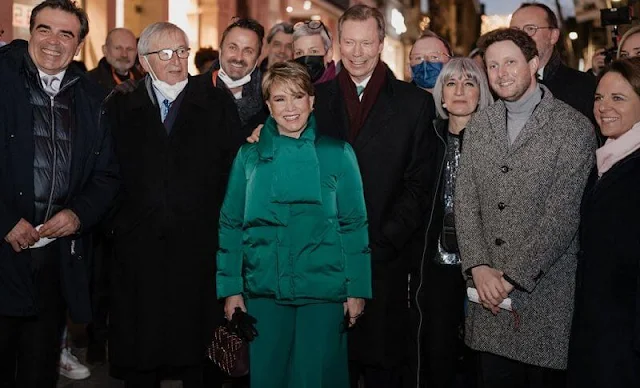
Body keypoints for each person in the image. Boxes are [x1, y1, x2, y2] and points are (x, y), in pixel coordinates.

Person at [245, 6, 436, 386]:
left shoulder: (414, 103)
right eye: (349, 42)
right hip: (320, 261)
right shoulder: (313, 97)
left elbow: (419, 186)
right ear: (338, 44)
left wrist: (380, 242)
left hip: (384, 256)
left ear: (381, 44)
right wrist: (260, 135)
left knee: (383, 364)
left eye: (367, 42)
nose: (358, 51)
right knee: (324, 367)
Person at [455, 28, 596, 388]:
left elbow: (562, 218)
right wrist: (479, 266)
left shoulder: (574, 128)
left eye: (511, 63)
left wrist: (510, 277)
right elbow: (466, 200)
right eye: (492, 65)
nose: (501, 73)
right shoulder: (479, 125)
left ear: (534, 64)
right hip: (486, 297)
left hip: (544, 299)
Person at [218, 60, 371, 388]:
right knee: (269, 379)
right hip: (263, 292)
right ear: (268, 106)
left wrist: (357, 289)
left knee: (315, 379)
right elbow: (231, 225)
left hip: (324, 296)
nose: (290, 107)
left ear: (311, 101)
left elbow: (354, 225)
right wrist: (231, 290)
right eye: (279, 99)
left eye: (297, 97)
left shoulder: (338, 153)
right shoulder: (248, 157)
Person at [106, 22, 239, 388]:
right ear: (145, 61)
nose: (177, 60)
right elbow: (105, 171)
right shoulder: (121, 103)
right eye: (164, 53)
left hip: (198, 247)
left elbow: (233, 169)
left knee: (197, 351)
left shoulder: (215, 100)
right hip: (138, 248)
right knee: (142, 347)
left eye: (181, 50)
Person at [0, 0, 120, 386]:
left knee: (39, 368)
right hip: (3, 251)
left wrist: (78, 215)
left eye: (66, 33)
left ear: (80, 44)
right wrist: (5, 221)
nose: (53, 41)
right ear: (30, 32)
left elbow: (107, 176)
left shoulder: (91, 96)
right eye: (44, 29)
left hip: (56, 259)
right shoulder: (1, 78)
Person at [420, 57, 493, 388]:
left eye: (470, 82)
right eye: (451, 83)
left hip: (486, 269)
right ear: (441, 94)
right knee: (438, 355)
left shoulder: (499, 141)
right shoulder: (426, 137)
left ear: (482, 91)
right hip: (435, 265)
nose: (460, 90)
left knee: (482, 362)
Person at [567, 57, 640, 388]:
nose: (603, 108)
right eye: (599, 97)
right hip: (599, 329)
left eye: (618, 98)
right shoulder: (609, 158)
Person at [510, 2, 596, 124]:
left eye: (530, 29)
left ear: (553, 36)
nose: (521, 37)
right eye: (515, 31)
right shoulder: (499, 85)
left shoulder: (585, 87)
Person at [212, 18, 268, 140]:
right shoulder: (193, 91)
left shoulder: (271, 94)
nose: (239, 57)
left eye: (248, 51)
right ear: (221, 49)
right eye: (233, 47)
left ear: (258, 57)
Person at [293, 20, 338, 84]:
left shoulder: (343, 89)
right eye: (299, 53)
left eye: (313, 51)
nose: (306, 60)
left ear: (329, 54)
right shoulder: (288, 89)